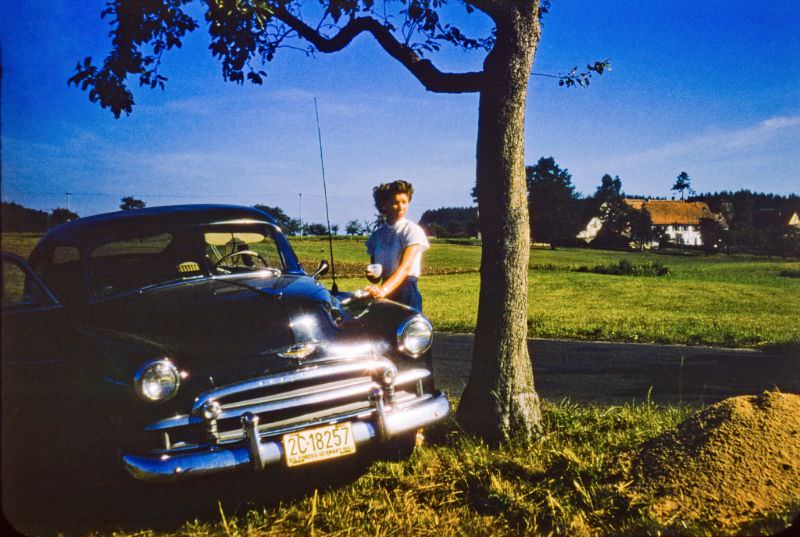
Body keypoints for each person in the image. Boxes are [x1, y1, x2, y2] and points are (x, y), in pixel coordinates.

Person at [365, 180, 429, 311]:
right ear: (384, 205)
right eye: (395, 203)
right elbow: (375, 276)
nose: (401, 207)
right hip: (385, 291)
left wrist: (383, 290)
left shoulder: (412, 230)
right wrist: (372, 276)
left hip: (407, 292)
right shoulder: (376, 236)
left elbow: (405, 269)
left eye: (404, 202)